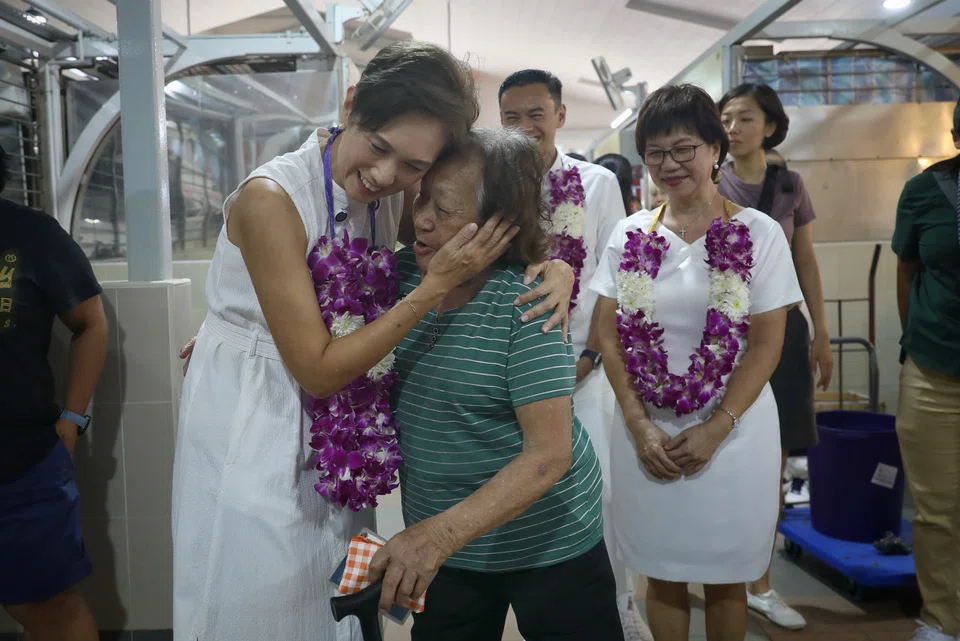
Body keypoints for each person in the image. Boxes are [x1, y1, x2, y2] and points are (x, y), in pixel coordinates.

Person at [172, 41, 575, 641]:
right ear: (353, 103)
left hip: (338, 420)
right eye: (380, 147)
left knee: (326, 591)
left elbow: (471, 233)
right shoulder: (272, 198)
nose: (387, 177)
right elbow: (315, 367)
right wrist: (431, 288)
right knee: (256, 589)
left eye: (413, 168)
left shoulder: (385, 198)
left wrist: (552, 265)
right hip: (261, 412)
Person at [369, 126, 624, 641]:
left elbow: (548, 456)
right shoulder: (401, 279)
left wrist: (436, 537)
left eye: (442, 209)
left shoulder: (528, 301)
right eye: (421, 198)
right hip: (449, 548)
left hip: (547, 544)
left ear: (498, 225)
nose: (419, 219)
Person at [591, 84, 803, 641]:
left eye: (684, 148)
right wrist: (637, 424)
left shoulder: (758, 234)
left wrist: (717, 425)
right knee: (660, 573)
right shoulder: (630, 235)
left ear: (715, 149)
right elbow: (608, 337)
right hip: (648, 432)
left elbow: (766, 344)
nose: (670, 164)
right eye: (656, 152)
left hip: (735, 432)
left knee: (727, 577)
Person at [499, 69, 650, 640]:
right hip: (513, 375)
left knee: (601, 490)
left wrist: (587, 361)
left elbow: (607, 284)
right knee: (527, 490)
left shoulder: (596, 185)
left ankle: (619, 605)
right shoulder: (490, 183)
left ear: (560, 115)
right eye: (511, 116)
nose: (524, 127)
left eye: (536, 114)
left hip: (584, 372)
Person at [717, 82, 833, 630]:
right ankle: (717, 571)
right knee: (721, 449)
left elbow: (804, 260)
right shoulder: (710, 179)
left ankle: (760, 582)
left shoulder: (790, 184)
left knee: (776, 457)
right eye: (725, 118)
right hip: (722, 333)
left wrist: (821, 331)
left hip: (782, 329)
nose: (732, 128)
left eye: (743, 118)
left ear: (770, 125)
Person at [0, 145, 107, 641]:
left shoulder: (30, 233)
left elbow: (91, 323)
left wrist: (72, 420)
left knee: (47, 607)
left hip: (22, 465)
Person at [892, 96, 960, 641]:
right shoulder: (925, 191)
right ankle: (941, 618)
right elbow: (907, 272)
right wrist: (914, 343)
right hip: (935, 370)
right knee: (938, 509)